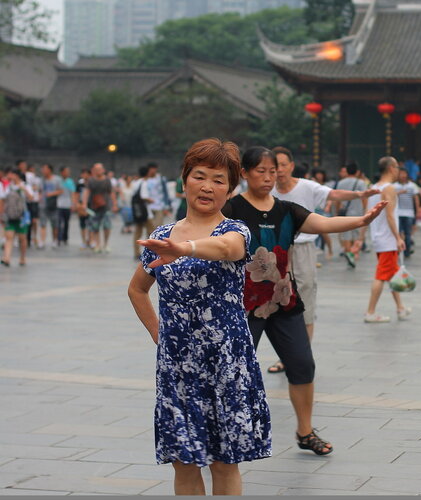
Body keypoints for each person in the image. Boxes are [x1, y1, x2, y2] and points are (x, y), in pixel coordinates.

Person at [128, 138, 271, 495]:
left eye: (219, 180)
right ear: (184, 180)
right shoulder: (161, 236)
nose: (208, 186)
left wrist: (185, 248)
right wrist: (159, 334)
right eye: (200, 176)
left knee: (224, 461)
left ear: (230, 190)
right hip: (178, 365)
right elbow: (137, 289)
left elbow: (226, 249)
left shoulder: (235, 231)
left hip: (225, 361)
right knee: (184, 460)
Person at [223, 146, 387, 455]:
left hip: (283, 300)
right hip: (243, 306)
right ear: (244, 173)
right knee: (235, 370)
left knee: (302, 365)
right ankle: (225, 432)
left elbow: (323, 223)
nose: (268, 177)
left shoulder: (287, 210)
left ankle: (305, 431)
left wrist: (362, 221)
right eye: (261, 171)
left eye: (273, 171)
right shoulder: (231, 210)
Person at [268, 146, 379, 374]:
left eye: (282, 165)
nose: (278, 170)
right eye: (273, 166)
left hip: (303, 249)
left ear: (291, 166)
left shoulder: (307, 187)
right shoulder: (266, 190)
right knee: (277, 303)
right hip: (274, 252)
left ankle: (301, 356)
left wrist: (359, 195)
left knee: (305, 300)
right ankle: (284, 357)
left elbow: (333, 194)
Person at [364, 156, 409, 323]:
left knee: (391, 273)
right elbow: (390, 215)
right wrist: (398, 237)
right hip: (387, 238)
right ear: (391, 168)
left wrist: (361, 237)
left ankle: (400, 308)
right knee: (381, 275)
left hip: (378, 236)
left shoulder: (374, 188)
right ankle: (370, 312)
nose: (398, 170)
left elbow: (367, 215)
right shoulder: (389, 188)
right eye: (397, 167)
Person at [335, 162, 367, 266]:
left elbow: (337, 198)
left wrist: (337, 212)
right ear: (357, 172)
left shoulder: (341, 183)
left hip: (345, 213)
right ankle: (354, 254)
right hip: (358, 213)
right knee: (357, 235)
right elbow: (364, 198)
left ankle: (349, 254)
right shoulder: (361, 183)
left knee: (346, 235)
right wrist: (365, 210)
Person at [81, 163, 119, 253]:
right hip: (94, 207)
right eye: (96, 169)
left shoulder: (107, 180)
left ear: (103, 170)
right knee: (95, 227)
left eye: (100, 169)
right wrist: (84, 203)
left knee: (107, 226)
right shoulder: (91, 180)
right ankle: (97, 244)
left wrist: (115, 204)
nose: (98, 171)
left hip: (106, 207)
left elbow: (111, 192)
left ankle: (106, 244)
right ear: (93, 170)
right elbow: (87, 192)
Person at [1, 168, 34, 267]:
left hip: (22, 216)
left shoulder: (25, 185)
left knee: (22, 238)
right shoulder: (8, 186)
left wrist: (24, 190)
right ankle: (7, 258)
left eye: (12, 174)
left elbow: (31, 198)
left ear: (17, 175)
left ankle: (22, 257)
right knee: (9, 237)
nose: (10, 176)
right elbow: (3, 199)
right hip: (10, 215)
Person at [394, 167, 420, 257]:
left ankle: (407, 250)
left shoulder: (412, 186)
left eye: (404, 173)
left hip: (409, 213)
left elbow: (416, 198)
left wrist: (418, 210)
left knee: (408, 233)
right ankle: (398, 249)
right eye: (401, 173)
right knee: (398, 232)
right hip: (398, 212)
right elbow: (391, 197)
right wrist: (399, 193)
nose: (403, 175)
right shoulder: (394, 186)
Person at [132, 166, 156, 260]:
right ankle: (151, 252)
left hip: (138, 211)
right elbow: (144, 196)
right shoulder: (144, 183)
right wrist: (151, 200)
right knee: (152, 232)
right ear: (147, 173)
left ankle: (136, 252)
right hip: (145, 212)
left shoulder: (136, 182)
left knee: (138, 232)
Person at [39, 164, 63, 248]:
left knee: (55, 225)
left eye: (45, 169)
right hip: (43, 205)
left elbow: (61, 190)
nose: (43, 171)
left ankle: (55, 240)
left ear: (50, 170)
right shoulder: (42, 180)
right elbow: (40, 191)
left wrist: (51, 194)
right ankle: (42, 241)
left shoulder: (57, 179)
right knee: (42, 224)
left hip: (54, 205)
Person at [56, 166, 76, 246]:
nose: (67, 173)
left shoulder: (70, 182)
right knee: (59, 222)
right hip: (59, 204)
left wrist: (73, 204)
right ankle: (59, 238)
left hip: (67, 205)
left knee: (66, 223)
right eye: (66, 171)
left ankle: (65, 238)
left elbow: (72, 193)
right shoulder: (58, 181)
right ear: (62, 172)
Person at [75, 168, 91, 249]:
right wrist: (77, 204)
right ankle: (83, 241)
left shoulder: (92, 183)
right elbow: (76, 194)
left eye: (86, 174)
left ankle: (90, 240)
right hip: (81, 206)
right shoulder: (80, 184)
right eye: (83, 174)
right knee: (82, 224)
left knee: (91, 224)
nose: (85, 175)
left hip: (90, 206)